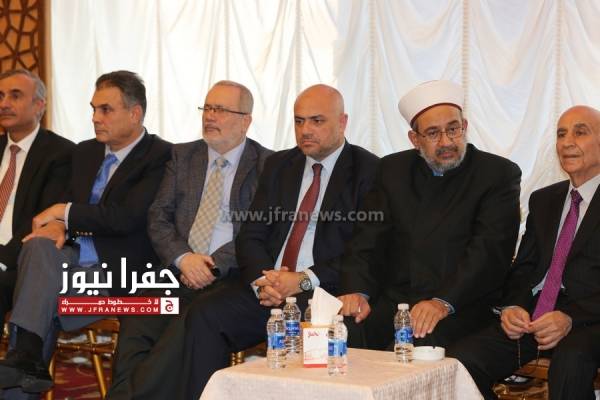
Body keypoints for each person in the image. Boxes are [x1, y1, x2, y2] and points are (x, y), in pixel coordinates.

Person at [181, 84, 379, 398]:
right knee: (205, 314)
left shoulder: (369, 170)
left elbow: (363, 250)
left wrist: (301, 280)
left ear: (342, 123)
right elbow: (251, 235)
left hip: (323, 293)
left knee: (346, 330)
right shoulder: (280, 165)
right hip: (269, 289)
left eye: (317, 121)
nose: (306, 130)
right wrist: (264, 281)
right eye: (299, 121)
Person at [0, 70, 171, 394]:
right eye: (93, 109)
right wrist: (58, 224)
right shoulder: (84, 152)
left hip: (117, 276)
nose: (95, 118)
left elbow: (126, 217)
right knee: (37, 247)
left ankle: (26, 356)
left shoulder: (161, 156)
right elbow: (66, 208)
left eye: (106, 109)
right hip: (66, 264)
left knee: (38, 298)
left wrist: (63, 213)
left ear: (135, 113)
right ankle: (27, 357)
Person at [107, 80, 272, 400]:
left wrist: (211, 265)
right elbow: (158, 216)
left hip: (231, 276)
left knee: (184, 328)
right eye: (207, 108)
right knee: (138, 316)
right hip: (178, 270)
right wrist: (184, 258)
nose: (209, 116)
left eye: (220, 109)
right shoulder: (183, 156)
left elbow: (256, 231)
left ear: (245, 121)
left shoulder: (267, 164)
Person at [338, 80, 522, 350]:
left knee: (415, 345)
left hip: (461, 303)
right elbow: (367, 239)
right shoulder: (392, 170)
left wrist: (442, 302)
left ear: (465, 126)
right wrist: (357, 291)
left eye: (453, 129)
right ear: (415, 139)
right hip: (398, 299)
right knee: (344, 331)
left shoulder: (497, 174)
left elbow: (488, 253)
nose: (446, 142)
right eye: (433, 133)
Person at [449, 105, 600, 400]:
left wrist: (570, 317)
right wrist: (513, 306)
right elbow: (524, 268)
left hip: (590, 320)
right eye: (561, 134)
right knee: (461, 361)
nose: (567, 142)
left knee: (571, 360)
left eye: (580, 132)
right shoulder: (544, 199)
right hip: (535, 318)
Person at [0, 69, 74, 323]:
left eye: (15, 95)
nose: (4, 104)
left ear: (39, 105)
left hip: (18, 261)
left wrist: (2, 260)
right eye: (0, 96)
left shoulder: (61, 153)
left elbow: (42, 219)